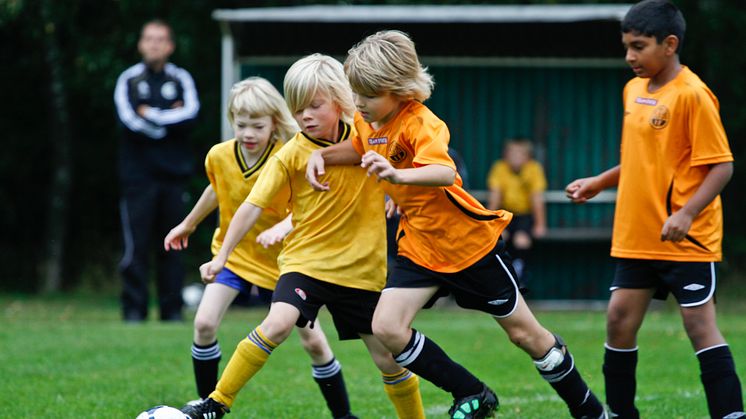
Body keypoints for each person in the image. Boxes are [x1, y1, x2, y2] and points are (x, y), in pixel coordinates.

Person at [307, 30, 605, 419]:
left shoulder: (421, 123)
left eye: (369, 95)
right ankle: (471, 393)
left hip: (467, 246)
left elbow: (444, 173)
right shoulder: (368, 123)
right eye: (356, 93)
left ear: (399, 89)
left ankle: (590, 411)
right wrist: (325, 157)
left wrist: (398, 178)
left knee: (527, 337)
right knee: (387, 326)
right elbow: (360, 147)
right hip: (420, 247)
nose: (359, 104)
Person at [181, 54, 424, 419]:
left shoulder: (371, 139)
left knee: (387, 359)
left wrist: (400, 195)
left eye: (314, 106)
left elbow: (406, 166)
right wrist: (221, 257)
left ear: (341, 102)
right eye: (298, 109)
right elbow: (251, 206)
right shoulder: (290, 154)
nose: (305, 116)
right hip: (305, 264)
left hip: (360, 271)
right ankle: (216, 403)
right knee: (276, 324)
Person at [565, 1, 743, 418]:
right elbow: (643, 160)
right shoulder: (633, 90)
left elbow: (722, 166)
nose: (630, 56)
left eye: (638, 47)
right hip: (637, 234)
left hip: (686, 237)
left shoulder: (693, 95)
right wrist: (598, 182)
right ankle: (622, 414)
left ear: (669, 44)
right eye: (626, 46)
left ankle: (731, 415)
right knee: (618, 322)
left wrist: (686, 214)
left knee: (700, 328)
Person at [163, 77, 356, 418]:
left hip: (285, 264)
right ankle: (208, 405)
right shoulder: (220, 156)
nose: (248, 133)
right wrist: (189, 223)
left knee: (314, 342)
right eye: (241, 125)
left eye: (257, 125)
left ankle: (343, 415)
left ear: (274, 123)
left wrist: (284, 226)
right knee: (204, 324)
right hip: (235, 256)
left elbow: (310, 207)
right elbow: (217, 189)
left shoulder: (290, 156)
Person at [114, 19, 200, 322]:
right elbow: (129, 121)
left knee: (174, 245)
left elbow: (190, 115)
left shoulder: (182, 79)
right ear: (140, 44)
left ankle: (172, 312)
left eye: (160, 39)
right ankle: (134, 311)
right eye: (148, 39)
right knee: (135, 248)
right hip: (137, 179)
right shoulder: (128, 80)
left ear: (170, 46)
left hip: (175, 178)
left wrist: (149, 114)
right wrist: (168, 120)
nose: (154, 44)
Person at [486, 139, 547, 281]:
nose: (515, 157)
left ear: (527, 157)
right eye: (511, 153)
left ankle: (519, 273)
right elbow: (495, 196)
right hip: (505, 213)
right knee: (501, 237)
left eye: (519, 153)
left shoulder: (534, 169)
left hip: (524, 215)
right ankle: (503, 273)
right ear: (505, 155)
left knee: (521, 240)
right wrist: (488, 221)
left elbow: (536, 198)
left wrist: (540, 224)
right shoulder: (499, 167)